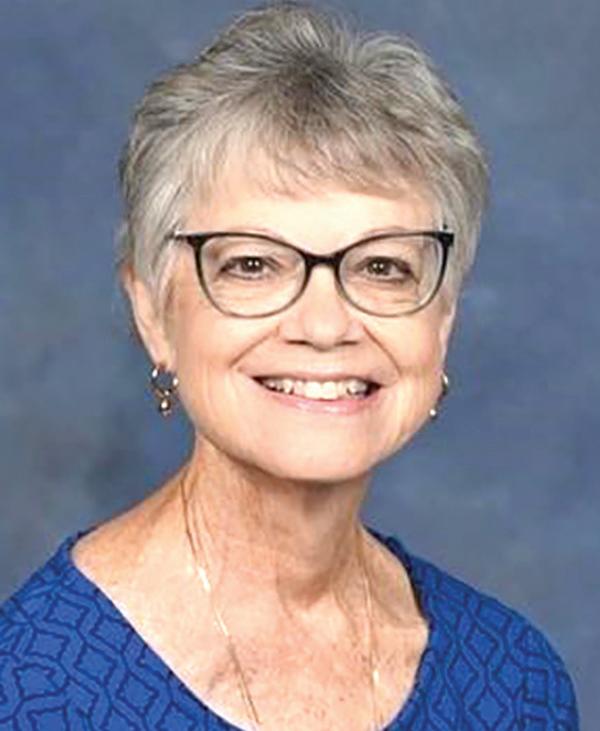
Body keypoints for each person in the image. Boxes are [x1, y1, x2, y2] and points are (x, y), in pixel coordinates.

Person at [0, 3, 579, 729]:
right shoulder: (29, 688)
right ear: (152, 312)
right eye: (253, 264)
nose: (325, 325)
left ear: (443, 319)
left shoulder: (515, 683)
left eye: (382, 267)